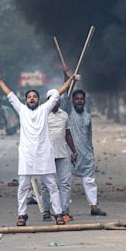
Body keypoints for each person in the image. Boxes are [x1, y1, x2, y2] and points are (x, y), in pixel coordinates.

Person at [0, 69, 75, 226]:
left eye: (34, 97)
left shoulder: (44, 109)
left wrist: (69, 80)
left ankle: (58, 213)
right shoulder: (21, 110)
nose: (32, 99)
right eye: (29, 97)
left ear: (39, 100)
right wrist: (0, 81)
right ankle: (22, 215)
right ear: (25, 101)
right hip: (27, 155)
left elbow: (58, 93)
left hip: (44, 154)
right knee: (23, 187)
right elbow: (9, 95)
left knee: (52, 185)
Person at [60, 82, 107, 217]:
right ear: (73, 101)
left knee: (90, 182)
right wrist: (68, 79)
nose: (79, 101)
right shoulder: (68, 112)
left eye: (82, 99)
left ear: (84, 101)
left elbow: (89, 135)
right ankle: (64, 210)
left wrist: (91, 152)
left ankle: (94, 207)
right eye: (77, 99)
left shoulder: (87, 116)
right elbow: (65, 96)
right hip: (71, 154)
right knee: (67, 183)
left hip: (87, 154)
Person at [41, 89, 78, 223]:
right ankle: (46, 211)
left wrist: (74, 151)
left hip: (63, 153)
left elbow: (68, 134)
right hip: (46, 154)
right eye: (52, 99)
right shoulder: (42, 114)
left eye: (57, 99)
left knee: (65, 183)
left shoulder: (64, 115)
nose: (55, 101)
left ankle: (64, 211)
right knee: (46, 185)